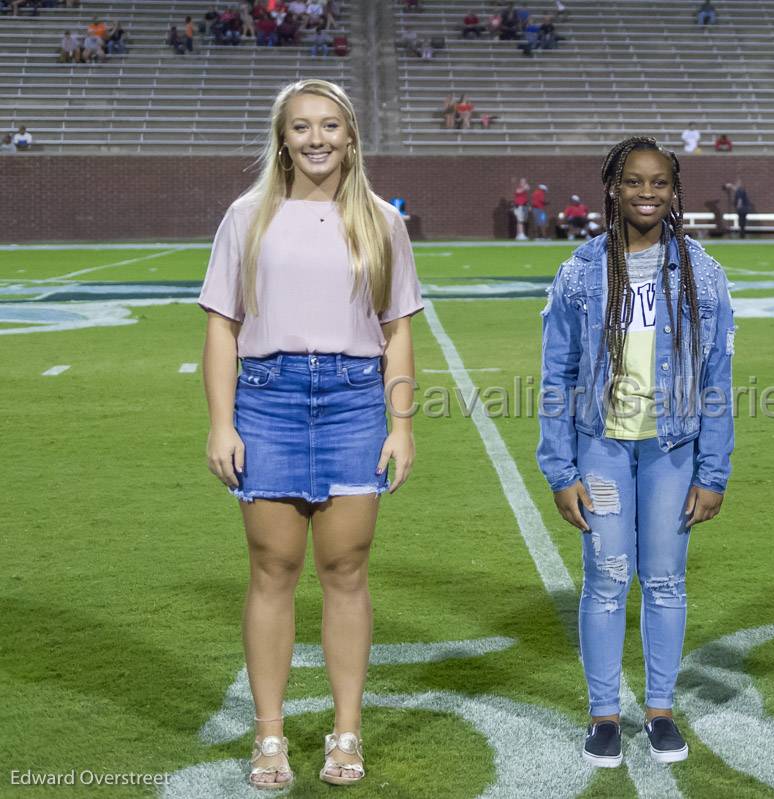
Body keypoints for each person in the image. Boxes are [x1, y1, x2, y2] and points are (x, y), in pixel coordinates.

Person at [198, 78, 423, 790]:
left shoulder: (383, 220)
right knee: (271, 570)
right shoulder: (246, 216)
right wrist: (222, 422)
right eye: (302, 127)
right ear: (282, 137)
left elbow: (398, 333)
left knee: (347, 571)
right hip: (269, 400)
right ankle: (269, 735)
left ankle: (344, 732)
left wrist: (402, 424)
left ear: (351, 136)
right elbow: (221, 327)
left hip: (356, 400)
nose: (317, 138)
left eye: (330, 125)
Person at [537, 136, 734, 769]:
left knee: (667, 580)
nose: (647, 193)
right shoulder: (580, 270)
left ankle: (659, 710)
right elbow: (557, 374)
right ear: (613, 189)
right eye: (634, 181)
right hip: (602, 446)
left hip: (672, 448)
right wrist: (560, 469)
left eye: (659, 183)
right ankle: (602, 716)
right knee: (605, 580)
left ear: (674, 192)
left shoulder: (702, 271)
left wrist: (714, 470)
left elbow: (716, 379)